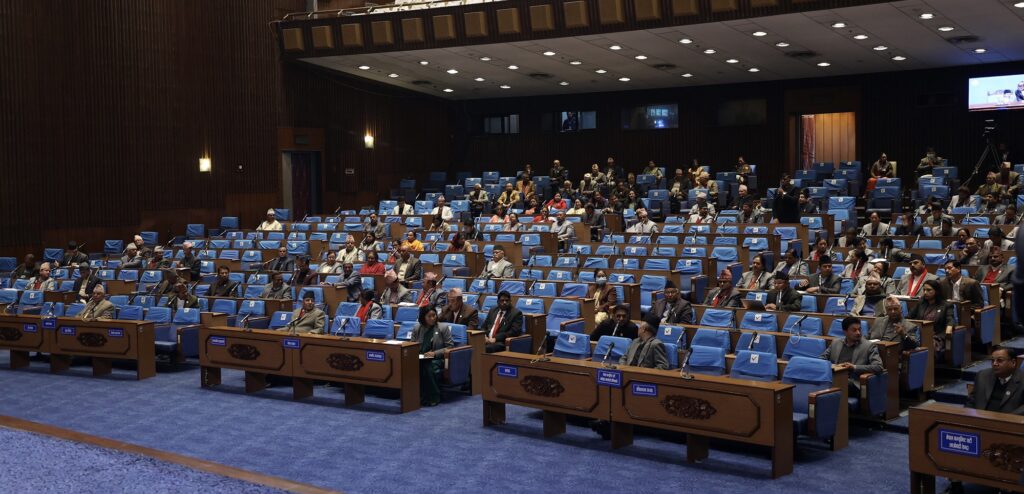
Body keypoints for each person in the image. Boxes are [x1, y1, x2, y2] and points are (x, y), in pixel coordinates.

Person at [821, 317, 884, 392]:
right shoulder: (836, 342)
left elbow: (878, 367)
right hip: (835, 377)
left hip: (854, 383)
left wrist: (854, 367)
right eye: (854, 330)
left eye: (859, 329)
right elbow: (822, 359)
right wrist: (831, 366)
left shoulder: (869, 346)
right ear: (845, 331)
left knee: (836, 383)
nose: (858, 333)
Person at [411, 306, 455, 407]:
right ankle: (417, 395)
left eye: (434, 315)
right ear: (423, 317)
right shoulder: (417, 328)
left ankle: (432, 397)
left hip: (438, 359)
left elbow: (450, 347)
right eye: (429, 316)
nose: (432, 318)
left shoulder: (442, 328)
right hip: (420, 358)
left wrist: (435, 353)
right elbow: (412, 345)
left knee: (428, 366)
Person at [965, 346, 1024, 413]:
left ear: (1013, 362)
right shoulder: (983, 376)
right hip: (982, 417)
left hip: (1009, 418)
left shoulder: (1022, 379)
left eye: (1000, 360)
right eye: (993, 360)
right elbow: (972, 401)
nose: (995, 364)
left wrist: (1008, 417)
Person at [909, 279, 954, 352]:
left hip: (937, 336)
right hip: (920, 335)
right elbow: (909, 316)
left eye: (929, 290)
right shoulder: (921, 302)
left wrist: (948, 331)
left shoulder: (946, 305)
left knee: (927, 345)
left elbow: (950, 320)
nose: (925, 292)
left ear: (937, 291)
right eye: (924, 290)